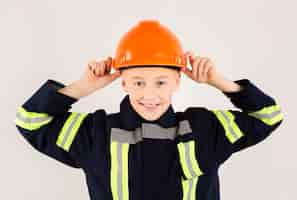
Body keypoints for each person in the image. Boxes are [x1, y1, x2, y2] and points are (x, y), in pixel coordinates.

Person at [15, 19, 284, 200]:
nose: (149, 95)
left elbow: (268, 116)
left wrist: (219, 81)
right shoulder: (96, 134)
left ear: (178, 81)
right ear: (123, 83)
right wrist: (83, 88)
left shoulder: (205, 128)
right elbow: (29, 121)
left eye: (161, 82)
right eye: (138, 82)